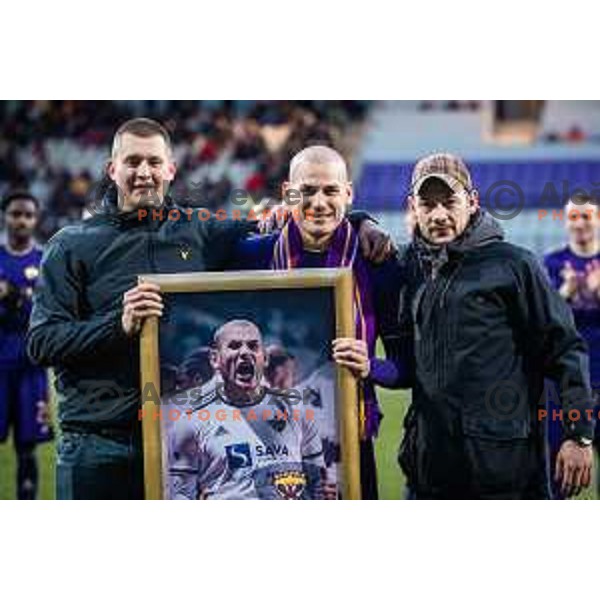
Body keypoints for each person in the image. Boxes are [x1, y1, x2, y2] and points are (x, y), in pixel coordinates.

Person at [27, 118, 392, 500]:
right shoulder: (70, 245)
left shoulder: (200, 231)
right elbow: (41, 342)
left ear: (170, 168)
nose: (143, 173)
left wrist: (359, 221)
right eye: (132, 162)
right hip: (100, 446)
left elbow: (307, 216)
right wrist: (117, 324)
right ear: (112, 169)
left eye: (154, 162)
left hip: (178, 444)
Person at [397, 153, 594, 499]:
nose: (439, 214)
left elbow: (565, 348)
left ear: (472, 202)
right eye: (428, 205)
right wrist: (360, 220)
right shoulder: (409, 266)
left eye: (450, 202)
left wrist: (578, 434)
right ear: (413, 207)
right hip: (431, 471)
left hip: (504, 471)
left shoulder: (514, 264)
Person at [233, 145, 410, 499]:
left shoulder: (378, 264)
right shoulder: (252, 253)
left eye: (330, 190)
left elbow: (406, 368)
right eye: (307, 190)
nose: (318, 201)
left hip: (348, 437)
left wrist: (369, 365)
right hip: (267, 440)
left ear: (348, 193)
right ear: (288, 193)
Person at [166, 320, 328, 500]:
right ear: (215, 359)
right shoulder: (190, 423)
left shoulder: (297, 410)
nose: (244, 352)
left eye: (253, 346)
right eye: (234, 346)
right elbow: (180, 496)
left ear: (265, 358)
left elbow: (318, 484)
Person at [543, 193, 600, 498]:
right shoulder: (551, 262)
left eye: (586, 216)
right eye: (574, 217)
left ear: (597, 219)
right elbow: (541, 323)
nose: (580, 223)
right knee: (560, 471)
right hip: (564, 385)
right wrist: (566, 291)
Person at [0, 191, 53, 499]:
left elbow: (49, 313)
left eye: (28, 215)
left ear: (36, 220)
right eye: (15, 214)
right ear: (5, 217)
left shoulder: (46, 261)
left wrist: (15, 296)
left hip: (31, 368)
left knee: (26, 448)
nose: (21, 220)